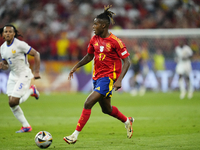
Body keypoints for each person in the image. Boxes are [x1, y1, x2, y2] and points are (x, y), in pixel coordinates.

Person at [64, 5, 134, 144]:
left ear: (103, 25)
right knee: (106, 109)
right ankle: (127, 120)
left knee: (88, 102)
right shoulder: (94, 39)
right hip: (96, 77)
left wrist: (119, 80)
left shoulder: (115, 42)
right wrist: (76, 66)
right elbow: (89, 56)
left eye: (95, 24)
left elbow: (127, 61)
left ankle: (74, 135)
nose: (93, 26)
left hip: (108, 78)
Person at [0, 24, 41, 133]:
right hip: (13, 76)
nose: (8, 33)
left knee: (14, 101)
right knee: (11, 103)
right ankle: (26, 126)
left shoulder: (20, 45)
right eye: (6, 32)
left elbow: (36, 54)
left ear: (14, 34)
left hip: (24, 74)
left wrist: (36, 71)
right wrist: (2, 66)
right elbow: (6, 65)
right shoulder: (2, 48)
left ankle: (32, 90)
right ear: (3, 35)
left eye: (10, 32)